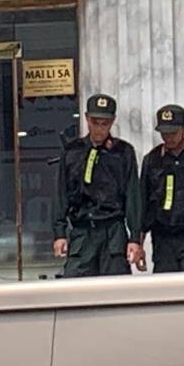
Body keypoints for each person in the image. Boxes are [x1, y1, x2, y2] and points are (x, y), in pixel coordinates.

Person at [52, 93, 144, 277]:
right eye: (95, 122)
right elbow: (61, 194)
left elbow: (132, 196)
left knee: (115, 287)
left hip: (113, 232)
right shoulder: (72, 151)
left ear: (112, 122)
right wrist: (59, 233)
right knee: (75, 286)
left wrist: (135, 238)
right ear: (87, 119)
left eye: (105, 123)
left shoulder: (123, 152)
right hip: (82, 231)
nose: (99, 128)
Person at [140, 105, 184, 273]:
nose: (168, 137)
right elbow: (143, 202)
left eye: (173, 132)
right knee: (165, 286)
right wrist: (138, 242)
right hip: (163, 238)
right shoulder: (153, 159)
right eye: (164, 133)